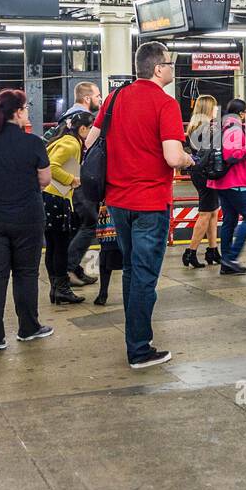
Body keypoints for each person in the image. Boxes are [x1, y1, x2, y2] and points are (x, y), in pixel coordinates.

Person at [86, 41, 194, 369]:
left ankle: (135, 340)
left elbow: (90, 141)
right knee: (145, 275)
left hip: (117, 201)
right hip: (150, 202)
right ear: (158, 68)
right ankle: (139, 349)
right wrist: (190, 160)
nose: (172, 69)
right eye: (170, 64)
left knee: (132, 269)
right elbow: (172, 156)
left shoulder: (115, 98)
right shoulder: (165, 103)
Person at [0, 89, 54, 353]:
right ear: (17, 112)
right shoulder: (33, 142)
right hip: (27, 217)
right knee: (26, 274)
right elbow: (45, 179)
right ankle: (28, 329)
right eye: (25, 109)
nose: (27, 113)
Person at [43, 110, 92, 305]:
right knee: (60, 248)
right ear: (82, 129)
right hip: (57, 198)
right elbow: (52, 166)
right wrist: (73, 179)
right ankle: (62, 288)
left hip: (48, 197)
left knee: (53, 247)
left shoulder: (63, 138)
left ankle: (56, 288)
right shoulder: (72, 144)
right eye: (90, 129)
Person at [208, 98, 246, 275]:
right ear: (240, 113)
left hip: (223, 182)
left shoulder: (223, 126)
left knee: (230, 220)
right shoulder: (235, 129)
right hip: (236, 182)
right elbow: (232, 154)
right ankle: (231, 257)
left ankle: (226, 261)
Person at [62, 81, 102, 286]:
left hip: (72, 179)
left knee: (77, 226)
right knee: (89, 224)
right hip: (79, 179)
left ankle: (75, 270)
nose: (100, 99)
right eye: (97, 96)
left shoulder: (68, 115)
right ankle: (67, 269)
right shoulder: (84, 119)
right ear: (87, 98)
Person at [182, 94, 222, 269]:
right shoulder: (209, 129)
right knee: (206, 213)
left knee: (213, 211)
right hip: (207, 174)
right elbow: (207, 155)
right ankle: (190, 252)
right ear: (208, 109)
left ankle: (212, 250)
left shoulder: (195, 127)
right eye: (214, 107)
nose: (216, 110)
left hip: (199, 173)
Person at [92, 201, 124, 306]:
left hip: (109, 211)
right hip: (124, 208)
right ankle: (131, 294)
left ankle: (103, 293)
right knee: (130, 258)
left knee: (106, 255)